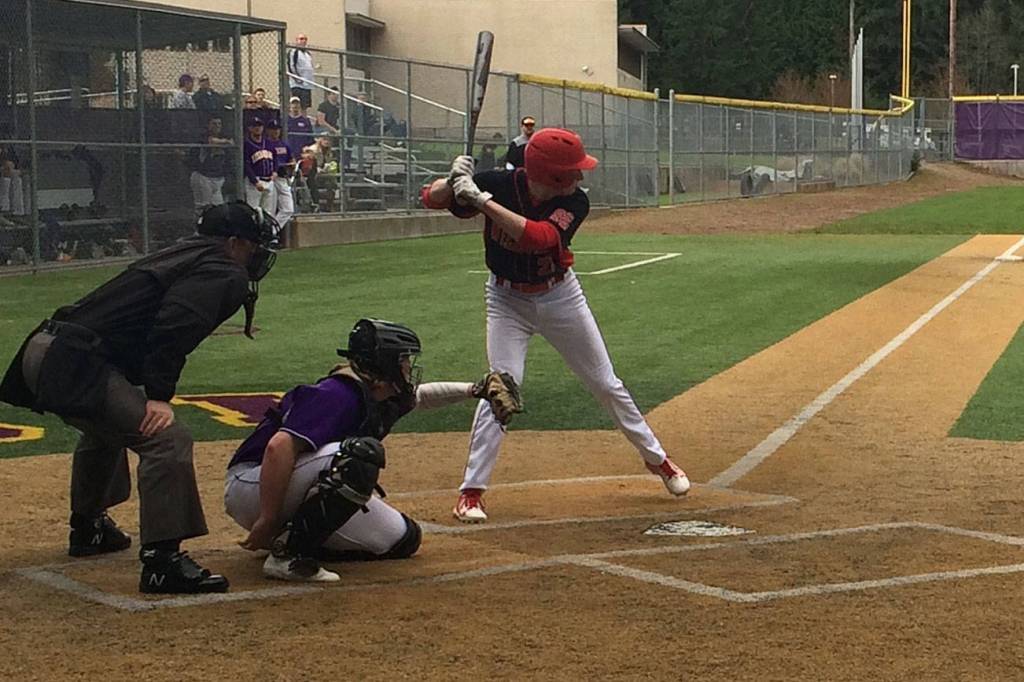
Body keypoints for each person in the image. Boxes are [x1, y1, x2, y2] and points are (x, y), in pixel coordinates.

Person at [0, 202, 279, 593]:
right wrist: (159, 396)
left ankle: (89, 528)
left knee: (105, 429)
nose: (257, 254)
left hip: (46, 349)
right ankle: (162, 562)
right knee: (166, 440)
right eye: (253, 245)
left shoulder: (179, 253)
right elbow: (175, 324)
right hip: (75, 360)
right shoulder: (223, 269)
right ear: (233, 243)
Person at [422, 128, 691, 523]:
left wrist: (480, 200)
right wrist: (452, 182)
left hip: (560, 296)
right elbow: (431, 198)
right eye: (572, 171)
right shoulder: (499, 183)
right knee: (500, 388)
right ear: (551, 175)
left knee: (606, 383)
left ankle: (658, 460)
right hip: (506, 300)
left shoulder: (574, 202)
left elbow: (540, 237)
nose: (580, 177)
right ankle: (471, 492)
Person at [225, 318, 518, 581]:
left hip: (291, 482)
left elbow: (422, 397)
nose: (409, 367)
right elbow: (278, 448)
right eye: (403, 360)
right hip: (253, 485)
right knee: (358, 456)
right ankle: (288, 556)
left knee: (402, 539)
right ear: (385, 363)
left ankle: (292, 537)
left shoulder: (378, 394)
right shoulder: (338, 393)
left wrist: (475, 389)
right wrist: (268, 518)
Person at [187, 115, 232, 217]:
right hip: (203, 176)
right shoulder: (202, 136)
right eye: (214, 124)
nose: (217, 126)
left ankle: (214, 226)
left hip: (218, 178)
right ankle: (199, 226)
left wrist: (224, 142)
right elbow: (211, 141)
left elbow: (232, 142)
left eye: (219, 124)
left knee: (219, 208)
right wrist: (224, 142)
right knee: (203, 207)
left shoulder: (224, 135)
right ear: (208, 125)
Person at [244, 110, 276, 214]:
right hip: (255, 182)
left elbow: (275, 158)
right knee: (253, 211)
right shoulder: (247, 144)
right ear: (250, 128)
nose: (257, 128)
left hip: (269, 180)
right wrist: (255, 181)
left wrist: (275, 171)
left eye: (259, 126)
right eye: (254, 126)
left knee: (268, 212)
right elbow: (246, 165)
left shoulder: (268, 143)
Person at [265, 118, 295, 230]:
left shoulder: (284, 144)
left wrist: (292, 164)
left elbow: (291, 158)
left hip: (282, 177)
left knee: (288, 209)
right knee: (270, 210)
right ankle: (269, 234)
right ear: (268, 130)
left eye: (277, 129)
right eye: (273, 129)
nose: (276, 131)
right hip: (271, 177)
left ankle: (272, 231)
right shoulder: (265, 144)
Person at [287, 34, 315, 112]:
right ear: (297, 40)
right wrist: (297, 79)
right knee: (296, 105)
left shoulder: (308, 54)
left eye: (305, 39)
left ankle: (303, 118)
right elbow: (291, 66)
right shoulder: (294, 52)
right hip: (298, 85)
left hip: (307, 84)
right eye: (301, 39)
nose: (303, 41)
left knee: (305, 106)